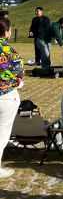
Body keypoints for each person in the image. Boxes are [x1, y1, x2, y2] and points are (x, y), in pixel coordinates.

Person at [0, 17, 23, 178]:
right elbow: (18, 69)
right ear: (7, 32)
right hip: (5, 95)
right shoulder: (8, 50)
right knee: (2, 133)